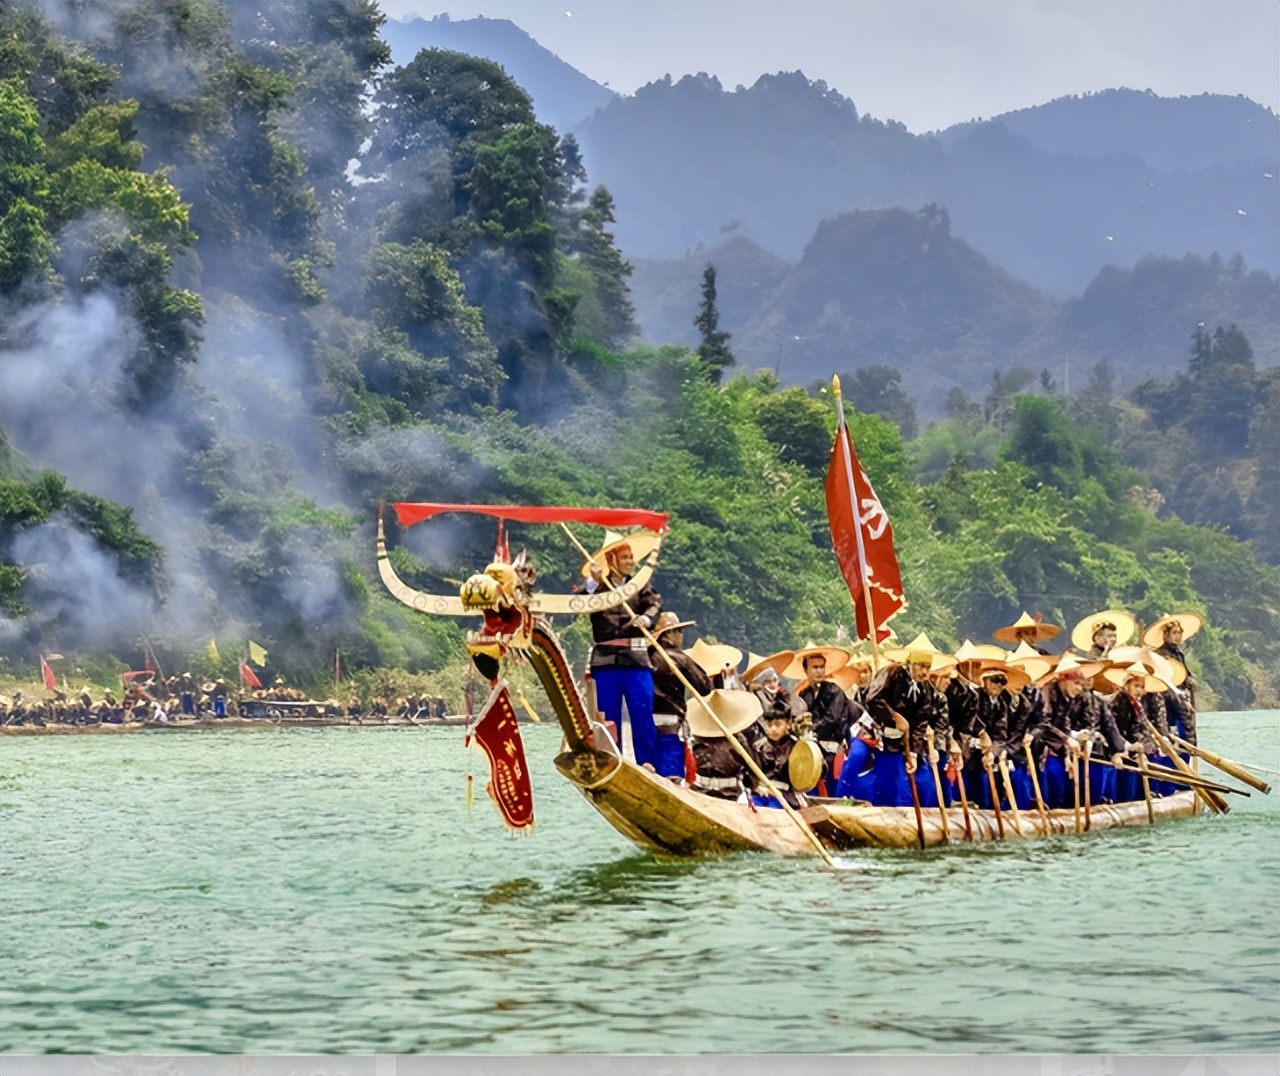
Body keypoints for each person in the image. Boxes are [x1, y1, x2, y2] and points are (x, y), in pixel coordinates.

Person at [584, 530, 663, 769]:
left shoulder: (640, 584)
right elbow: (582, 603)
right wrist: (596, 584)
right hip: (605, 661)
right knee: (607, 715)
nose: (631, 562)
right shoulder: (596, 587)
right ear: (612, 561)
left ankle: (648, 763)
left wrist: (646, 620)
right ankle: (611, 759)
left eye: (631, 557)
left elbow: (654, 605)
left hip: (636, 659)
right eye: (625, 557)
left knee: (642, 712)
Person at [863, 634, 951, 808]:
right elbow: (872, 699)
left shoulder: (926, 689)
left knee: (925, 784)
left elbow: (921, 722)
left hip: (908, 742)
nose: (924, 672)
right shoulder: (891, 672)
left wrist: (915, 753)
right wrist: (894, 717)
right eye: (920, 666)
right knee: (895, 787)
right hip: (885, 739)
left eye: (928, 667)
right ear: (909, 663)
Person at [787, 646, 860, 796]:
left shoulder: (834, 691)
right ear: (806, 670)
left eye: (821, 667)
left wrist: (813, 732)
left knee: (836, 792)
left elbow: (832, 719)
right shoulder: (803, 694)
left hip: (832, 750)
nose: (819, 671)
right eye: (815, 667)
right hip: (811, 752)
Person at [647, 611, 711, 779]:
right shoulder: (678, 658)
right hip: (670, 729)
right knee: (671, 778)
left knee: (650, 772)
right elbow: (704, 687)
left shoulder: (645, 657)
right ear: (668, 635)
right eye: (679, 631)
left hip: (644, 727)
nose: (681, 636)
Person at [687, 689, 763, 801]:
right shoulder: (697, 739)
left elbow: (754, 769)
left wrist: (749, 785)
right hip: (699, 792)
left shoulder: (737, 741)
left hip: (728, 795)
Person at [1144, 612, 1202, 747]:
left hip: (1181, 699)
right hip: (1167, 700)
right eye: (1174, 633)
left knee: (1187, 737)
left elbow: (1184, 674)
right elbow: (1161, 681)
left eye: (1180, 633)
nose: (1178, 636)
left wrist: (1189, 681)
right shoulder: (1160, 654)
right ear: (1166, 635)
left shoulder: (1178, 654)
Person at [1070, 610, 1136, 661]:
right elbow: (1099, 665)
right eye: (1109, 636)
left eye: (1114, 636)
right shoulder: (1093, 653)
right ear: (1097, 638)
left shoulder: (1115, 652)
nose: (1113, 639)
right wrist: (1106, 651)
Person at [992, 611, 1062, 656]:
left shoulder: (1043, 654)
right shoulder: (1010, 656)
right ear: (1018, 635)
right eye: (1025, 633)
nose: (1029, 635)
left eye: (1032, 632)